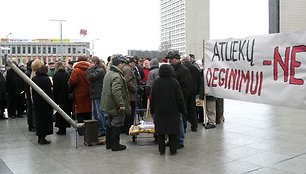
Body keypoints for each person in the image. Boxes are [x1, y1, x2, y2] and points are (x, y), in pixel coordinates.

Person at [151, 64, 186, 155]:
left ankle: (161, 150)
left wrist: (152, 111)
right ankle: (173, 150)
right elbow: (180, 98)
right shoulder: (174, 82)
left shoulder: (156, 82)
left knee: (160, 133)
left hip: (159, 111)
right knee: (173, 132)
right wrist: (183, 110)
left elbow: (152, 98)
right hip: (173, 110)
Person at [101, 54, 131, 151]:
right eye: (122, 63)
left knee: (109, 123)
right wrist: (121, 105)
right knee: (116, 123)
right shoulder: (117, 76)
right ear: (118, 64)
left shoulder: (108, 73)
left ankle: (109, 143)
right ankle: (115, 145)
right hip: (115, 105)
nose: (123, 65)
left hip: (108, 104)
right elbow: (116, 91)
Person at [68, 56, 92, 136]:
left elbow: (72, 81)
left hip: (79, 94)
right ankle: (88, 129)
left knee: (80, 113)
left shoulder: (76, 70)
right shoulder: (90, 69)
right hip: (89, 94)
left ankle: (81, 130)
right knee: (88, 113)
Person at [32, 65, 53, 144]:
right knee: (45, 121)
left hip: (37, 102)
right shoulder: (46, 79)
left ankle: (40, 137)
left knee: (39, 120)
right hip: (45, 103)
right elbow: (49, 92)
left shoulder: (34, 79)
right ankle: (43, 138)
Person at [86, 56, 106, 137]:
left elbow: (90, 77)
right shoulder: (98, 70)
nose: (89, 64)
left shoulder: (100, 70)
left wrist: (89, 69)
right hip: (95, 94)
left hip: (98, 93)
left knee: (99, 113)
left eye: (91, 62)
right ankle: (99, 129)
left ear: (95, 62)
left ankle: (102, 129)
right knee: (95, 113)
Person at [181, 54, 201, 132]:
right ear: (190, 60)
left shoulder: (182, 69)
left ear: (182, 60)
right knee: (193, 108)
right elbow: (199, 81)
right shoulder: (195, 68)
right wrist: (197, 91)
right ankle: (194, 126)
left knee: (184, 108)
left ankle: (184, 127)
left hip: (184, 91)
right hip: (193, 91)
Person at [53, 61, 72, 135]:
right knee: (66, 112)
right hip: (66, 96)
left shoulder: (56, 75)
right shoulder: (67, 74)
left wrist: (54, 97)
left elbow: (55, 88)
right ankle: (65, 127)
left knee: (60, 113)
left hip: (59, 97)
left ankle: (61, 129)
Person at [122, 57, 138, 135]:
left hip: (128, 94)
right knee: (130, 113)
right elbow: (127, 81)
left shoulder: (126, 69)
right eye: (133, 62)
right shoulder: (128, 70)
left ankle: (126, 128)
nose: (135, 64)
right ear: (130, 63)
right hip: (130, 95)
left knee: (129, 113)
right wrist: (134, 88)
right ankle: (128, 128)